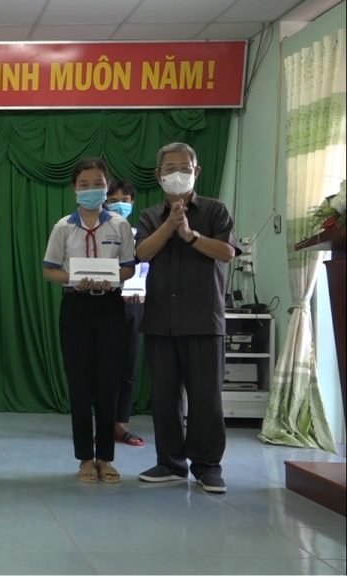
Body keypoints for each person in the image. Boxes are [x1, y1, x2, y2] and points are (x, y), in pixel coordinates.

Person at [135, 142, 238, 494]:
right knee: (165, 398)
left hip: (204, 319)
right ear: (158, 175)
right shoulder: (150, 216)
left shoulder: (215, 211)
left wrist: (191, 236)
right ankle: (170, 463)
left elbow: (226, 252)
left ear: (197, 171)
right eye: (169, 169)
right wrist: (170, 226)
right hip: (160, 320)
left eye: (184, 167)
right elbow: (142, 252)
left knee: (206, 398)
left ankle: (208, 466)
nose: (177, 174)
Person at [42, 158, 135, 484]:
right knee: (80, 386)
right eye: (84, 184)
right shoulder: (63, 227)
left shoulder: (120, 226)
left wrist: (112, 279)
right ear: (74, 189)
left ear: (106, 187)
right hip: (76, 307)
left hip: (110, 308)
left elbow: (128, 268)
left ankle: (105, 459)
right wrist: (73, 278)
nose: (91, 189)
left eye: (97, 184)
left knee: (108, 385)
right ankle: (84, 459)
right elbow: (49, 270)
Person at [105, 180, 147, 448]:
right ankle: (104, 424)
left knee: (128, 366)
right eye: (113, 200)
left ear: (132, 203)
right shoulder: (99, 233)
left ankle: (121, 425)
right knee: (104, 366)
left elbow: (146, 270)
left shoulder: (141, 235)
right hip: (105, 302)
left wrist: (141, 293)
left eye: (124, 200)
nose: (119, 204)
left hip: (134, 303)